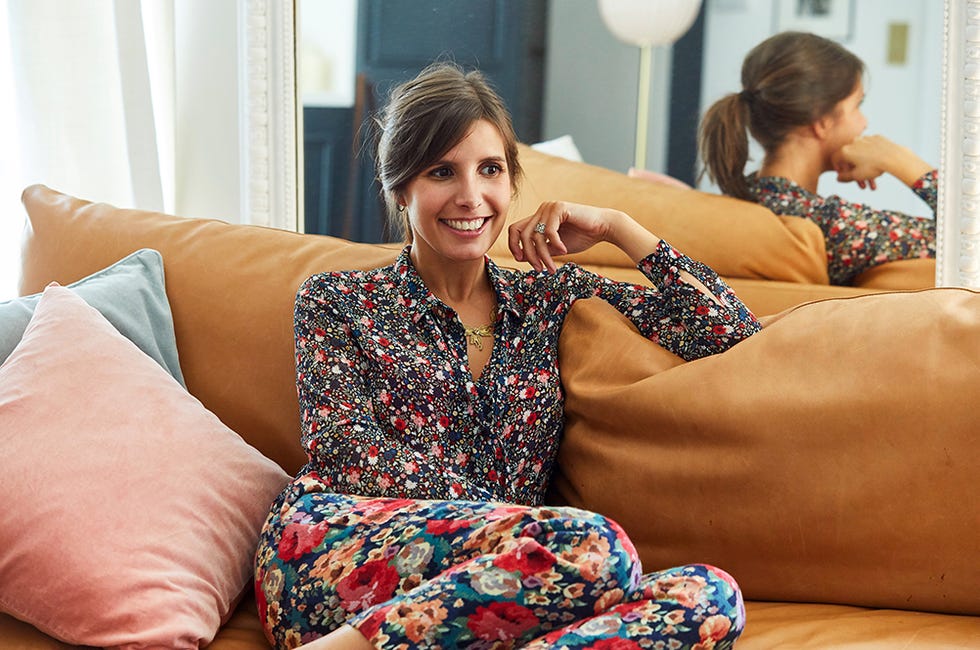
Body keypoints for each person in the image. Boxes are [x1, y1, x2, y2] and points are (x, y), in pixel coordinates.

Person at [254, 61, 760, 650]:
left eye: (489, 170)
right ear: (400, 188)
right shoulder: (337, 300)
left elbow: (731, 333)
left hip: (500, 584)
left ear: (512, 182)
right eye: (442, 171)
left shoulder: (550, 298)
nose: (471, 196)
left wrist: (619, 227)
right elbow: (346, 450)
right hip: (334, 558)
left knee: (711, 594)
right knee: (595, 548)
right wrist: (519, 528)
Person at [698, 31, 937, 286]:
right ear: (822, 123)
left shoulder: (749, 200)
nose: (864, 123)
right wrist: (900, 160)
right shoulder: (831, 225)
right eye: (857, 106)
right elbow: (966, 243)